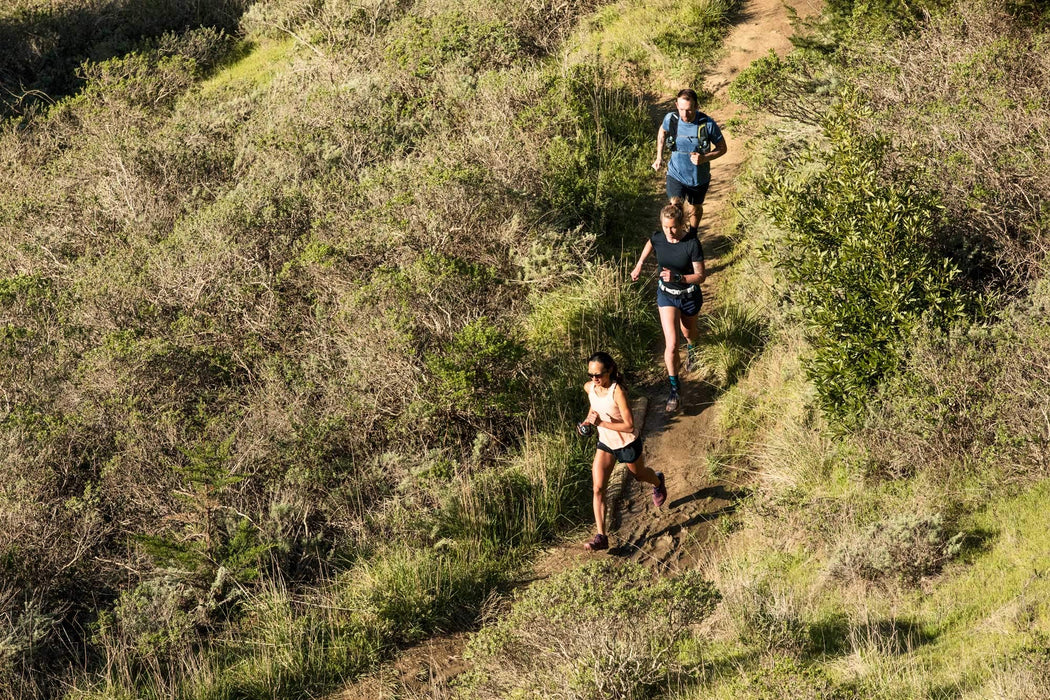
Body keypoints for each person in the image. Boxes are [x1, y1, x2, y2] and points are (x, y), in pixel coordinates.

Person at [578, 351, 667, 551]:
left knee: (640, 475)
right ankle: (601, 536)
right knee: (598, 488)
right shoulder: (590, 388)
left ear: (609, 371)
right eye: (591, 375)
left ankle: (658, 481)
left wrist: (601, 422)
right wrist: (587, 422)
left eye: (598, 375)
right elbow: (594, 408)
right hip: (606, 444)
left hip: (627, 443)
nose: (594, 379)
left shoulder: (617, 391)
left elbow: (629, 425)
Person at [630, 200, 706, 412]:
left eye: (673, 227)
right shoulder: (659, 237)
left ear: (681, 224)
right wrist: (639, 264)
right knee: (671, 343)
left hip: (689, 295)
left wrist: (679, 277)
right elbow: (650, 243)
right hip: (667, 296)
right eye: (665, 227)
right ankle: (674, 389)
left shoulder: (692, 243)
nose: (669, 231)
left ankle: (692, 349)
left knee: (688, 332)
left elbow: (701, 277)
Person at [651, 88, 727, 233]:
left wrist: (705, 158)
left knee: (695, 207)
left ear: (696, 106)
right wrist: (659, 157)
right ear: (676, 105)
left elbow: (722, 148)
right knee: (675, 205)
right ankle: (676, 235)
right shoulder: (671, 119)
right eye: (681, 109)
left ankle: (692, 233)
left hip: (698, 177)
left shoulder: (707, 124)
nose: (684, 114)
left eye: (689, 110)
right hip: (675, 173)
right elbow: (662, 131)